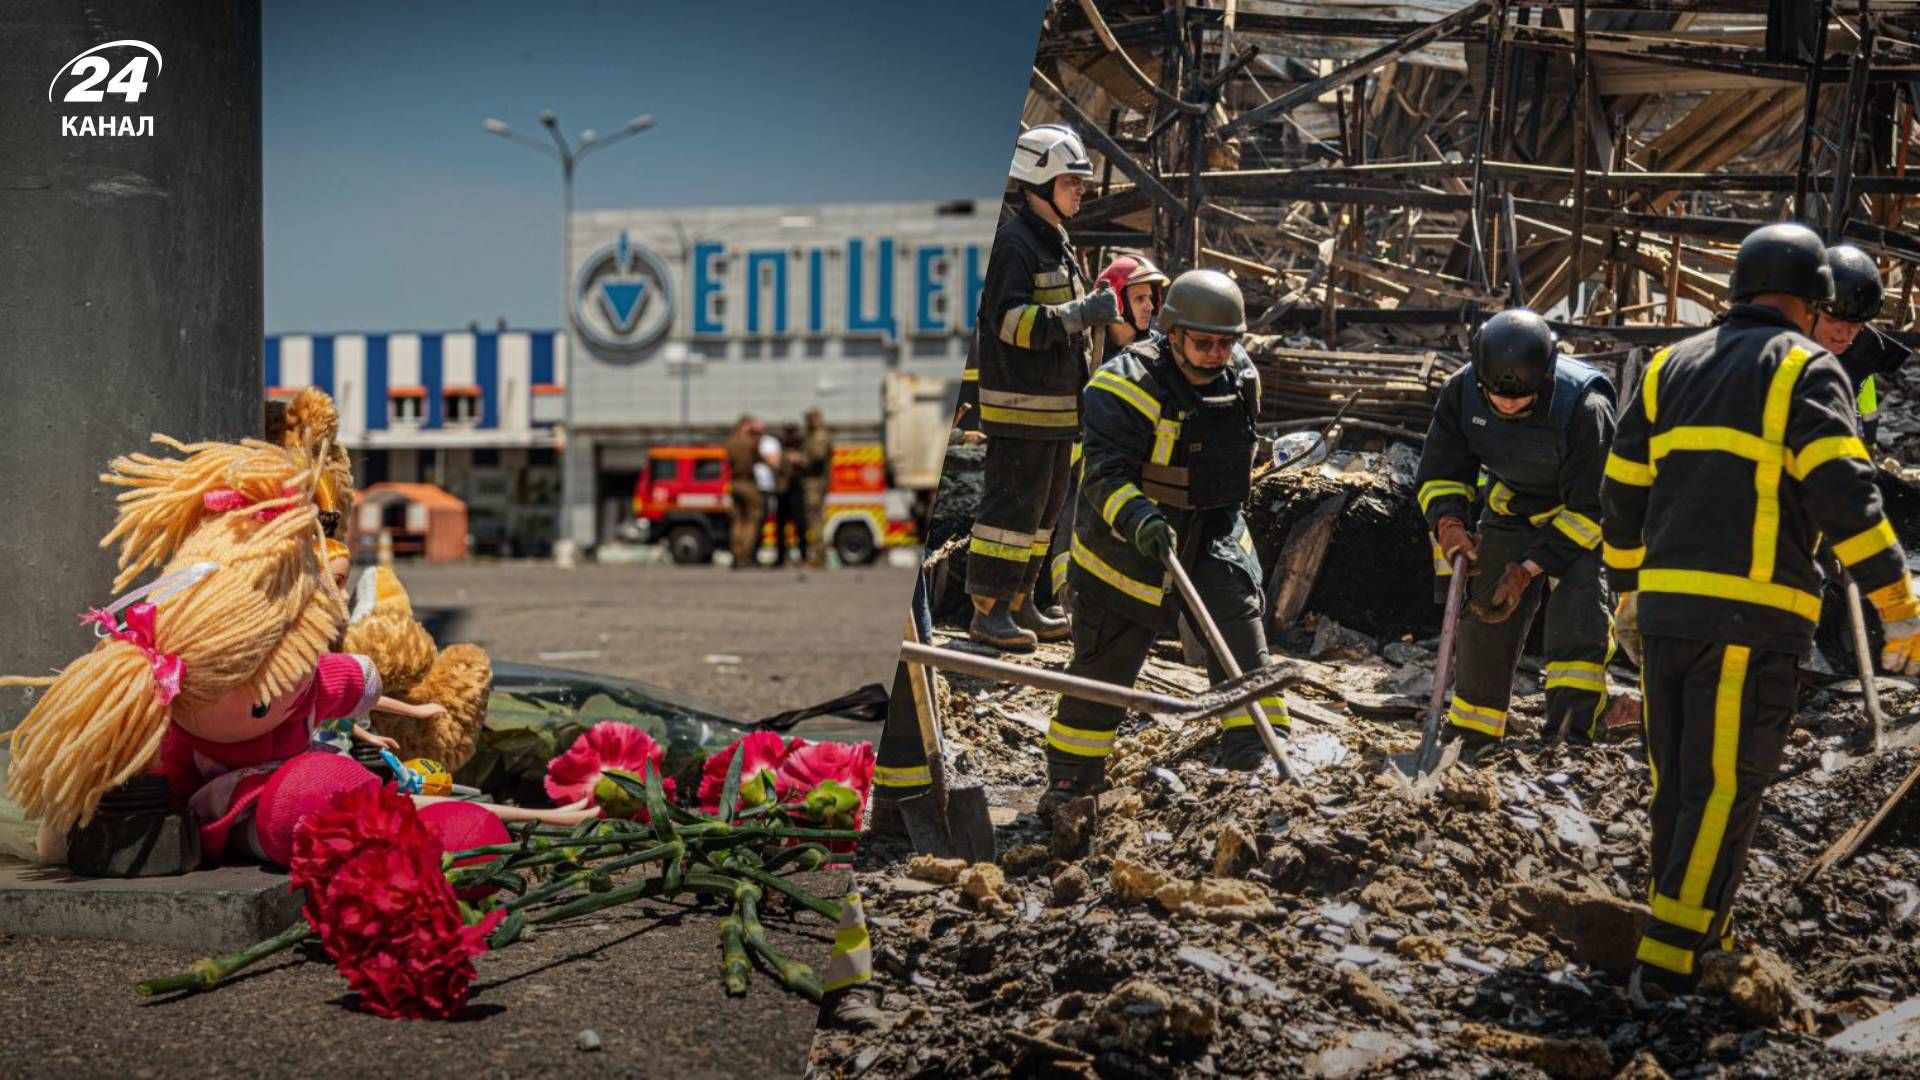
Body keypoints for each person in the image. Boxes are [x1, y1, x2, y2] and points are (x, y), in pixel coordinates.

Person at [1602, 220, 1920, 1001]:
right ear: (1811, 303)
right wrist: (1900, 606)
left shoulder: (1669, 365)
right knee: (1722, 789)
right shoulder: (1804, 367)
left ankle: (1690, 929)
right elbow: (1844, 493)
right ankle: (1671, 965)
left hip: (1667, 615)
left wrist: (1630, 593)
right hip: (1750, 620)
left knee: (1676, 784)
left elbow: (1620, 490)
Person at [1040, 270, 1283, 817]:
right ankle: (1071, 783)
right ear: (1172, 333)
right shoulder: (1121, 386)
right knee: (1106, 666)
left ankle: (1257, 758)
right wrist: (1141, 517)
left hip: (1213, 528)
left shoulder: (1241, 378)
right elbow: (1102, 475)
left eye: (1228, 342)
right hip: (1126, 545)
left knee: (1240, 631)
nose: (1218, 354)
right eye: (1205, 343)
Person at [1414, 308, 1617, 754]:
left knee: (1578, 618)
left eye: (1520, 398)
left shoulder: (1586, 407)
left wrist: (1527, 570)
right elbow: (1441, 471)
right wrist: (1449, 523)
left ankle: (1569, 738)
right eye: (1496, 396)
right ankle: (1472, 732)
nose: (1506, 404)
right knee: (1486, 611)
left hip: (1580, 520)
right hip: (1513, 510)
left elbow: (1594, 508)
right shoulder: (1462, 391)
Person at [966, 123, 1122, 651]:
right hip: (1022, 411)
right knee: (1010, 513)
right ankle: (988, 610)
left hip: (1057, 412)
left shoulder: (1053, 239)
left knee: (1042, 514)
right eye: (1071, 182)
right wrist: (1082, 313)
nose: (1081, 190)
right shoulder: (1013, 244)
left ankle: (1021, 601)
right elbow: (1010, 322)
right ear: (1037, 182)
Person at [1044, 252, 1171, 612]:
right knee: (1071, 522)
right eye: (1139, 299)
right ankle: (1066, 598)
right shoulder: (1084, 348)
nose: (1148, 307)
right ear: (1116, 300)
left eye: (1151, 299)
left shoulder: (1154, 355)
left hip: (1136, 464)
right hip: (1080, 462)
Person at [1812, 243, 1911, 447]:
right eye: (1831, 320)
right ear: (1808, 311)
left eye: (1854, 325)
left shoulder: (1864, 354)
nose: (1844, 332)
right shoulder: (1775, 354)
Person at [725, 415, 764, 569]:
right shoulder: (751, 442)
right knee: (752, 520)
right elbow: (759, 458)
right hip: (747, 482)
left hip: (733, 482)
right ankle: (745, 556)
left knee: (737, 521)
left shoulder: (730, 442)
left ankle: (736, 552)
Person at [801, 408, 833, 569]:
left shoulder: (819, 435)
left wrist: (800, 460)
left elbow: (817, 456)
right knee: (814, 519)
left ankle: (819, 556)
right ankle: (818, 555)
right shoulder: (814, 434)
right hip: (814, 481)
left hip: (815, 482)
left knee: (815, 520)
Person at [772, 424, 807, 567]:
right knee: (781, 525)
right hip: (783, 491)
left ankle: (803, 555)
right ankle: (781, 556)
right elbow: (776, 467)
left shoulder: (802, 451)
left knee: (800, 525)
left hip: (796, 490)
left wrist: (799, 459)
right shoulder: (780, 451)